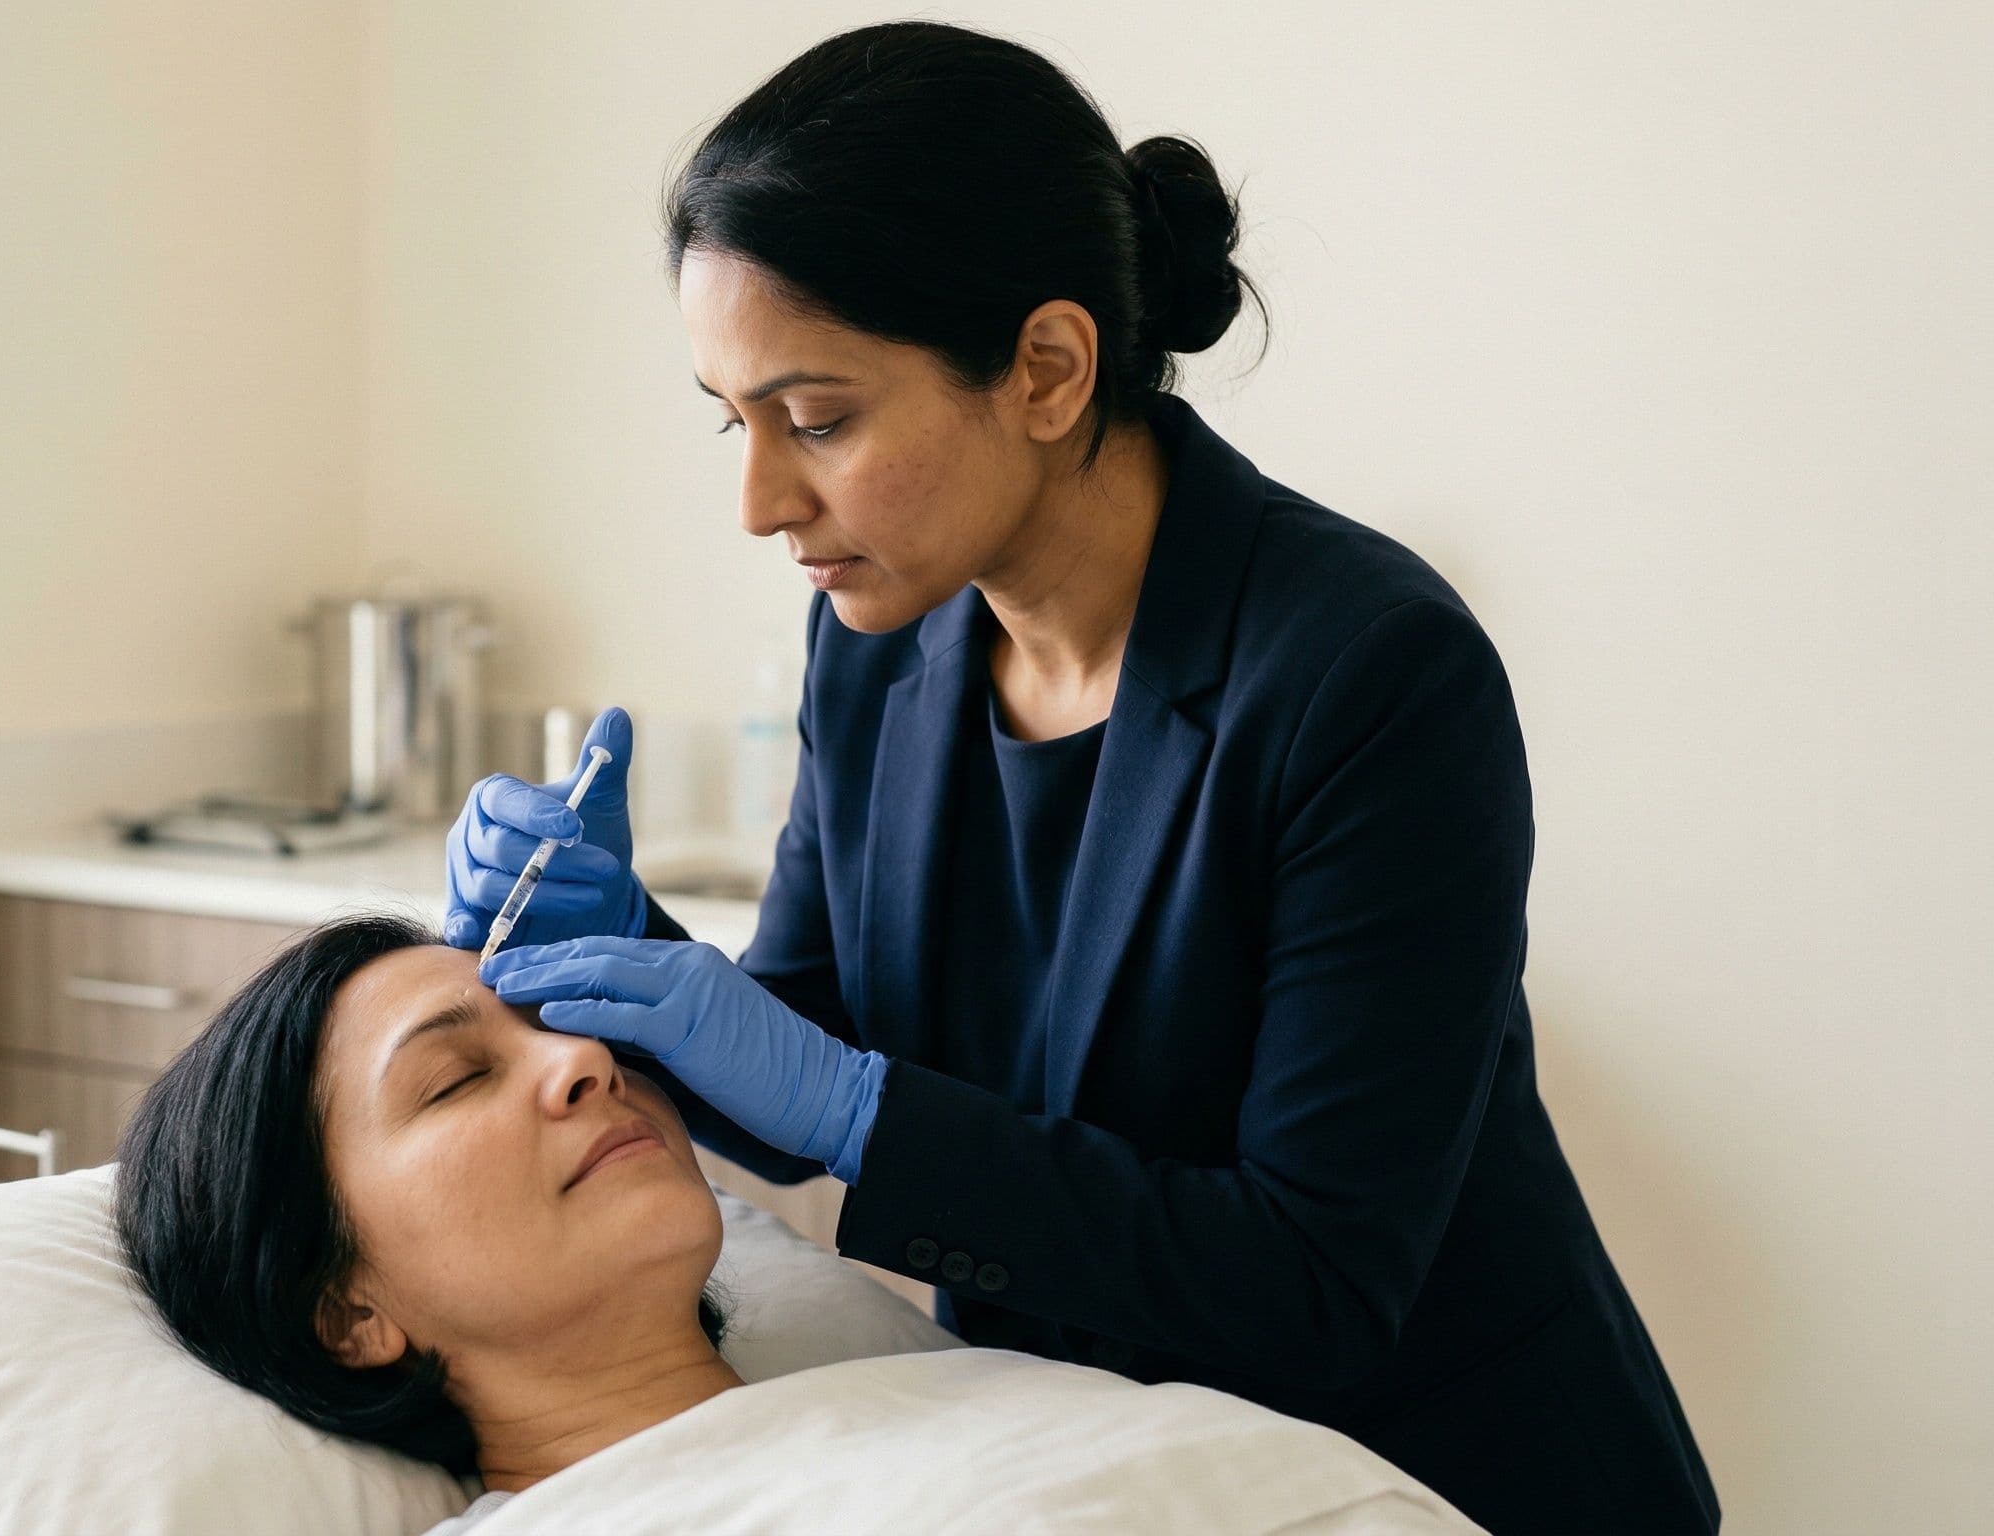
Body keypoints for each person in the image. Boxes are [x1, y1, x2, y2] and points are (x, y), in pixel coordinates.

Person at [440, 20, 1717, 1535]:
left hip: (1426, 1480)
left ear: (1048, 369)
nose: (762, 502)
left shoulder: (1367, 673)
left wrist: (853, 1106)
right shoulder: (877, 641)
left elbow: (1310, 1277)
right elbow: (816, 1046)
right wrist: (629, 951)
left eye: (821, 419)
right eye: (735, 422)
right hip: (1102, 1462)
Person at [111, 912, 741, 1531]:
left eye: (576, 1022)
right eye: (456, 1080)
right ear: (347, 1315)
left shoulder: (834, 1409)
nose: (585, 1059)